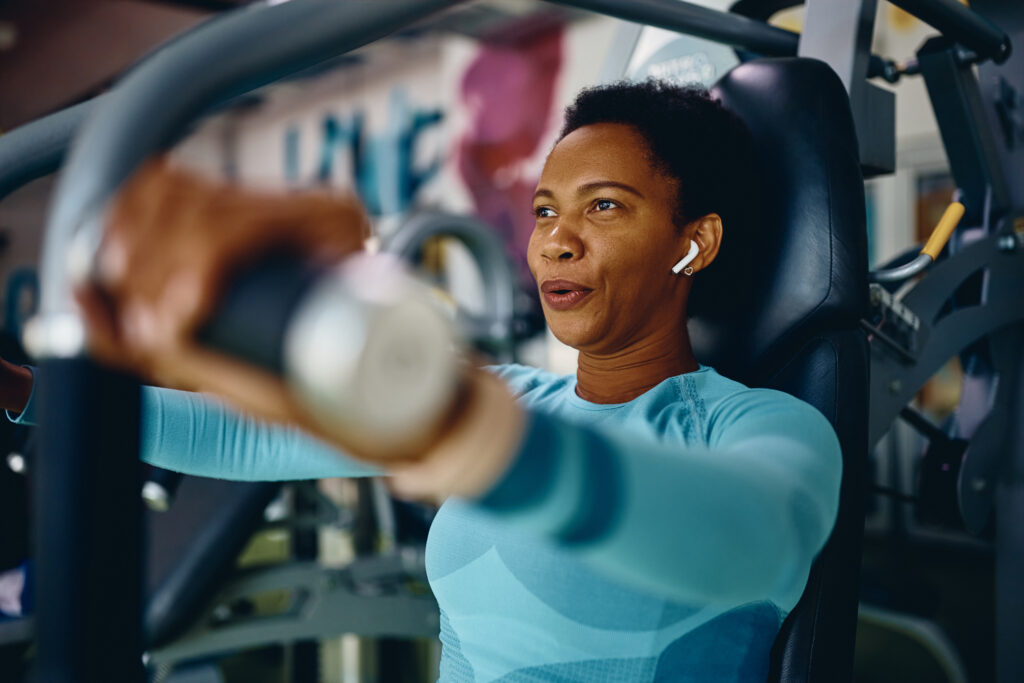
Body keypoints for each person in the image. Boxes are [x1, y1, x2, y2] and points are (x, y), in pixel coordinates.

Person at [4, 80, 841, 681]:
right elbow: (236, 432)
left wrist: (457, 430)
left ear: (693, 243)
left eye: (606, 206)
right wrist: (19, 390)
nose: (555, 240)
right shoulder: (517, 394)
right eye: (546, 210)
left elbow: (747, 536)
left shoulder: (764, 430)